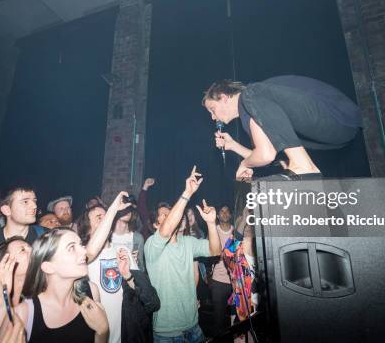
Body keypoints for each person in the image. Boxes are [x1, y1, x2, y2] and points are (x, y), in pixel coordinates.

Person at [203, 76, 362, 180]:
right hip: (340, 131)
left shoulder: (250, 97)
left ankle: (302, 164)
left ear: (224, 98)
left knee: (251, 94)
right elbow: (266, 153)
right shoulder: (255, 112)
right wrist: (233, 146)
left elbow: (265, 155)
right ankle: (301, 163)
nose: (212, 117)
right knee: (276, 153)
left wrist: (244, 164)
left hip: (335, 114)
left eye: (212, 109)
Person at [145, 166, 222, 342]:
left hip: (193, 326)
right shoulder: (152, 245)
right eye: (164, 215)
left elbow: (215, 251)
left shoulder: (188, 242)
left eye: (171, 213)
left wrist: (211, 223)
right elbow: (166, 231)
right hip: (166, 332)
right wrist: (187, 192)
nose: (171, 217)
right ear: (156, 225)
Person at [16, 228, 109, 343]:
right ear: (48, 267)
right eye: (71, 248)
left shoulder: (91, 292)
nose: (84, 251)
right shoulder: (24, 314)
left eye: (80, 245)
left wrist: (102, 332)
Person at [77, 192, 132, 343]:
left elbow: (137, 291)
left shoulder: (123, 252)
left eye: (106, 215)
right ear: (87, 229)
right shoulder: (80, 254)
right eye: (99, 218)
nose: (106, 219)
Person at [209, 206, 234, 337]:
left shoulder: (236, 232)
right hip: (218, 282)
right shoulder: (213, 231)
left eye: (227, 211)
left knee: (236, 320)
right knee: (218, 321)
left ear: (230, 215)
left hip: (236, 282)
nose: (224, 213)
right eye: (221, 211)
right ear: (217, 216)